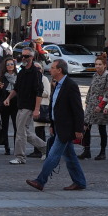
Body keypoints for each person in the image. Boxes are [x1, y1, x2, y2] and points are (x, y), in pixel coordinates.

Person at [25, 59, 87, 191]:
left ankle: (40, 181)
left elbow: (77, 109)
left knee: (53, 155)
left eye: (53, 68)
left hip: (66, 128)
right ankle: (80, 181)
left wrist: (79, 129)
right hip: (58, 126)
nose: (50, 69)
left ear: (59, 70)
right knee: (70, 156)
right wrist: (52, 125)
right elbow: (54, 106)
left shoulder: (70, 85)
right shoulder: (56, 84)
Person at [4, 48, 46, 164]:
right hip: (21, 105)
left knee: (21, 132)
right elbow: (16, 88)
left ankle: (20, 157)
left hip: (29, 106)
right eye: (22, 55)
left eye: (26, 56)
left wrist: (37, 109)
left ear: (32, 57)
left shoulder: (36, 73)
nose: (23, 58)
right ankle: (45, 148)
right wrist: (8, 98)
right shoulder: (22, 72)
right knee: (23, 131)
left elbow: (39, 92)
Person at [80, 56, 108, 161]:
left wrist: (101, 105)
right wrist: (87, 102)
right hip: (91, 106)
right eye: (96, 64)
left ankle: (102, 152)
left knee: (102, 129)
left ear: (105, 65)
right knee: (86, 127)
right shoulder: (95, 75)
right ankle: (86, 150)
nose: (97, 66)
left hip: (101, 107)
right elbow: (90, 90)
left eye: (100, 64)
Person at [0, 57, 19, 155]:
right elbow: (0, 91)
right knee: (5, 127)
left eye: (11, 64)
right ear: (5, 66)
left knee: (16, 126)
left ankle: (16, 148)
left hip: (15, 104)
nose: (10, 66)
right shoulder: (2, 77)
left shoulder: (18, 76)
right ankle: (7, 148)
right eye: (8, 64)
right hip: (5, 104)